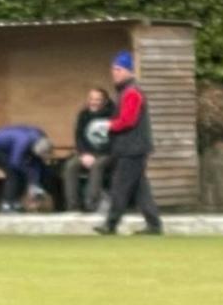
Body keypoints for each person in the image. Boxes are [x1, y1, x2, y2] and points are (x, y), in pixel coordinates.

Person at [96, 52, 164, 236]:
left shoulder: (131, 92)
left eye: (118, 69)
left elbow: (128, 121)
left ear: (128, 71)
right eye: (113, 69)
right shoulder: (128, 91)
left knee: (120, 186)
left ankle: (110, 224)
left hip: (132, 147)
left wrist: (108, 125)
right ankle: (154, 224)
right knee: (140, 188)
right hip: (134, 146)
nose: (114, 73)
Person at [0, 124, 55, 212]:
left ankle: (16, 203)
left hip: (9, 150)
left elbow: (36, 164)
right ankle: (6, 205)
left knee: (25, 171)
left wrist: (35, 183)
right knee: (13, 173)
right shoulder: (23, 141)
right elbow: (14, 162)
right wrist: (29, 174)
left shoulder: (40, 139)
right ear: (35, 149)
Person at [65, 88, 115, 213]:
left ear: (105, 100)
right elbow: (79, 137)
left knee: (97, 166)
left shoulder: (113, 114)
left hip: (108, 153)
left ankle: (91, 204)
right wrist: (84, 154)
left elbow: (116, 139)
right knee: (70, 166)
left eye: (98, 99)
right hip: (88, 153)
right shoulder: (84, 114)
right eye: (92, 99)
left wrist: (98, 154)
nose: (94, 102)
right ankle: (73, 206)